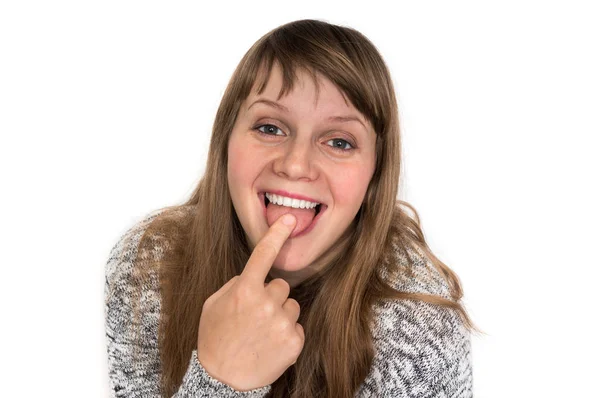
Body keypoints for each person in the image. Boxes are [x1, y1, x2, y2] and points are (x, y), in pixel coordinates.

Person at [105, 19, 475, 398]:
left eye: (339, 142)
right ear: (225, 144)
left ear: (374, 176)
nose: (296, 165)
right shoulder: (150, 269)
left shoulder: (416, 324)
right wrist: (223, 378)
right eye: (269, 128)